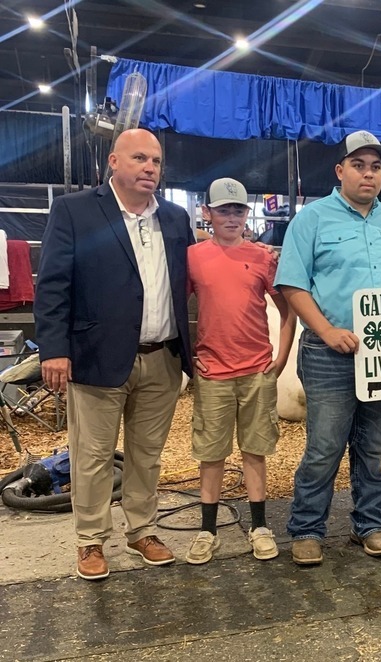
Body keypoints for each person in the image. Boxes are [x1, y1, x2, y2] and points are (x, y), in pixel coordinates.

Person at [34, 128, 195, 580]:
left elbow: (193, 277)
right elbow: (53, 284)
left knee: (148, 454)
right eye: (140, 158)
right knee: (92, 455)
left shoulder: (175, 218)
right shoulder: (76, 211)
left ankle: (142, 530)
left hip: (162, 356)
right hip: (96, 354)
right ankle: (90, 539)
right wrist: (54, 349)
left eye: (156, 161)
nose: (150, 168)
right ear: (114, 162)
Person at [275, 129, 381, 566]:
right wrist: (328, 330)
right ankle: (307, 528)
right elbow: (292, 285)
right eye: (358, 165)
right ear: (340, 171)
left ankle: (369, 525)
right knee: (324, 447)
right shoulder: (311, 220)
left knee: (373, 448)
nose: (368, 174)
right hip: (327, 352)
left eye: (376, 167)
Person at [185, 178, 296, 565]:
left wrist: (281, 358)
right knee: (211, 453)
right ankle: (207, 530)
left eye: (237, 210)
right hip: (213, 372)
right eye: (223, 210)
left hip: (256, 371)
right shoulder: (193, 257)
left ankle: (260, 526)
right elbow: (175, 308)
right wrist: (189, 357)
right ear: (207, 213)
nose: (231, 217)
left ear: (247, 214)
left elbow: (287, 309)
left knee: (255, 450)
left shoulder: (263, 257)